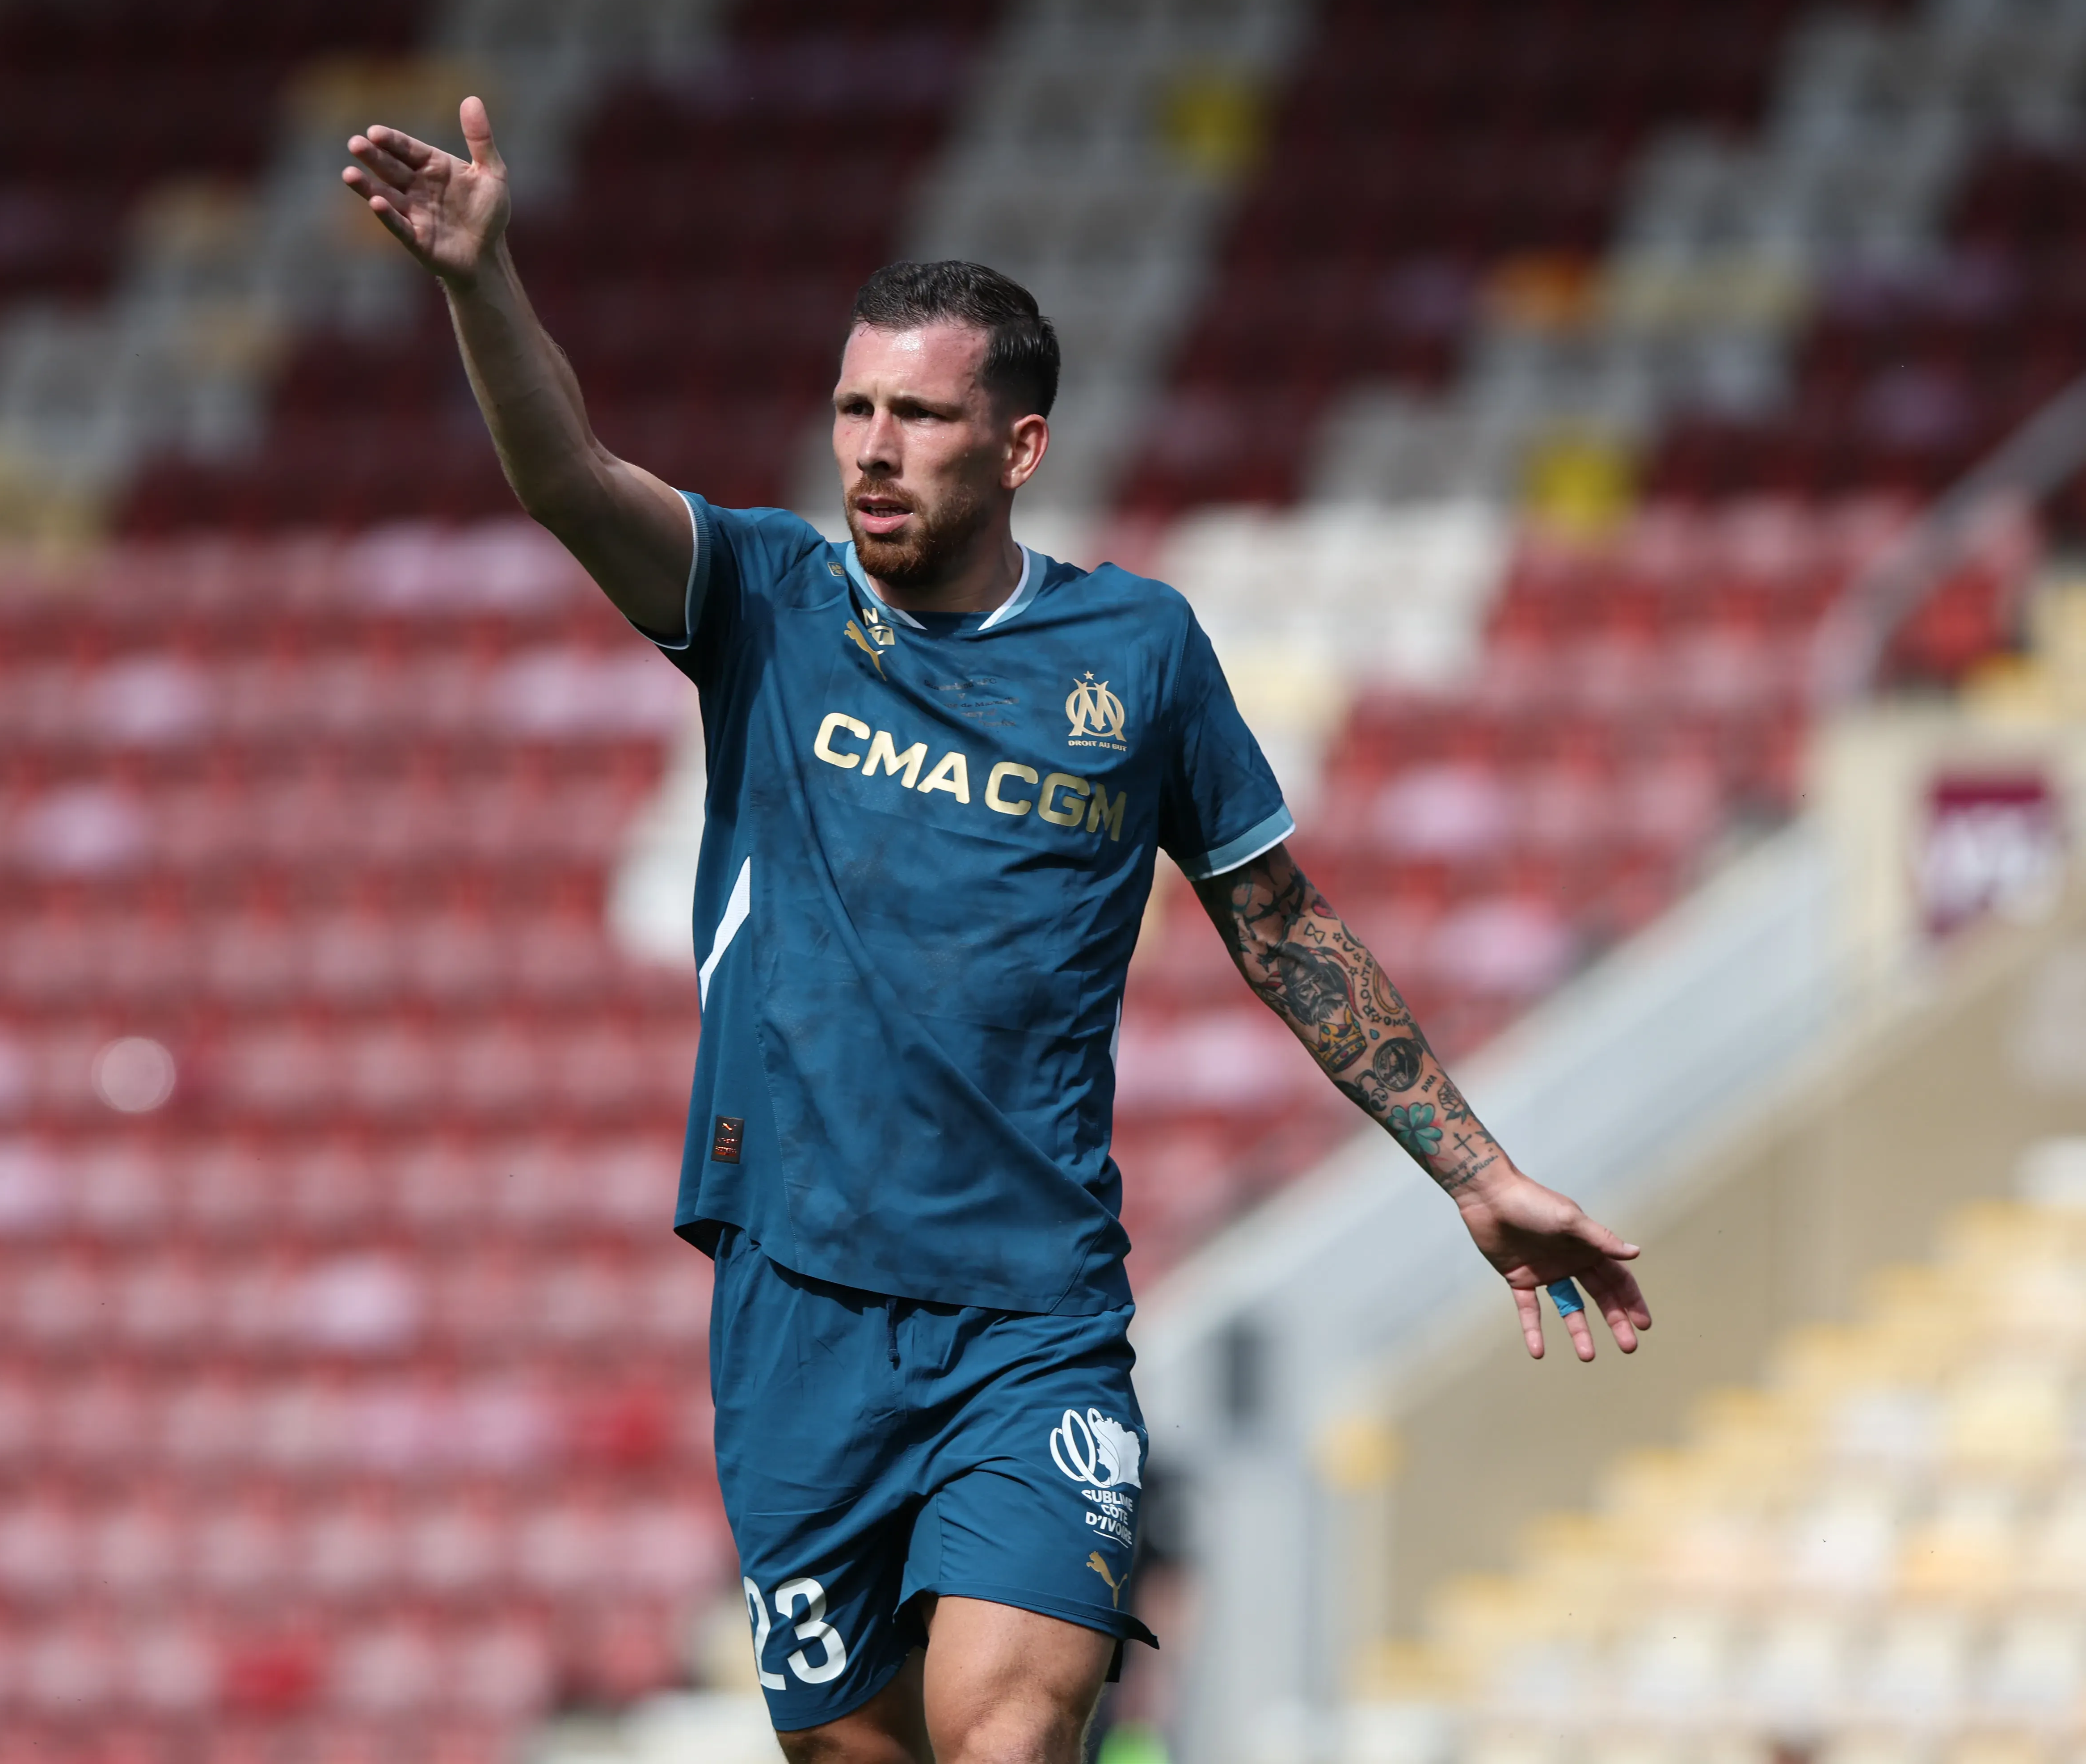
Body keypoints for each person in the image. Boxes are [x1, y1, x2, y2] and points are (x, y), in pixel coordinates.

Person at [344, 100, 1652, 1764]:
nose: (870, 450)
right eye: (852, 409)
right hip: (795, 1306)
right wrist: (480, 282)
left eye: (917, 415)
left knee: (1009, 1737)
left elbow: (1276, 920)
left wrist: (1471, 1165)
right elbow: (563, 477)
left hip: (1031, 1318)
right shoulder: (764, 601)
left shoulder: (1141, 654)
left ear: (1017, 445)